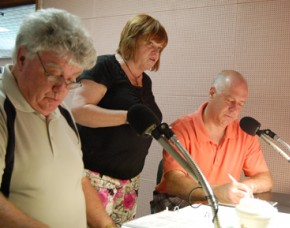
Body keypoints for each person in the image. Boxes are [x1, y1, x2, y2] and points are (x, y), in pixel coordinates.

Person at [0, 8, 116, 228]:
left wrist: (105, 224)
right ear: (22, 58)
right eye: (53, 73)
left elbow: (77, 179)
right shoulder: (3, 110)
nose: (61, 90)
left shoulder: (63, 114)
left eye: (72, 79)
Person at [71, 14, 168, 227]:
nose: (156, 52)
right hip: (96, 179)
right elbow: (78, 110)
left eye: (160, 48)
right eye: (150, 44)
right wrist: (127, 117)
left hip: (129, 182)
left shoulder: (146, 81)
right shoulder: (105, 66)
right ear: (132, 40)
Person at [153, 70, 273, 212]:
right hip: (178, 201)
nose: (234, 109)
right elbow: (174, 182)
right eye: (230, 101)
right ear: (212, 93)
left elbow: (265, 179)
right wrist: (215, 192)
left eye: (241, 104)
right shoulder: (180, 129)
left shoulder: (245, 133)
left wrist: (246, 187)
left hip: (219, 203)